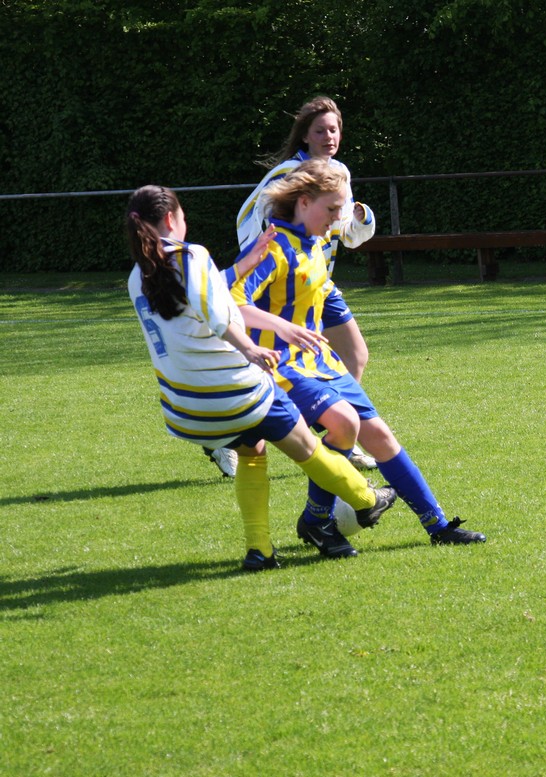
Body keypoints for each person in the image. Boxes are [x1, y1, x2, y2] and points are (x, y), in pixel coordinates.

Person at [126, 184, 397, 571]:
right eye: (183, 215)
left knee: (252, 453)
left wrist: (244, 265)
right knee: (309, 448)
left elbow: (199, 294)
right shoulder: (192, 255)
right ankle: (367, 500)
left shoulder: (139, 275)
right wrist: (251, 349)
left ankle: (260, 552)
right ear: (171, 218)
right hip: (234, 393)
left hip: (184, 409)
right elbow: (217, 315)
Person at [230, 158, 486, 555]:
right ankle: (318, 520)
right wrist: (283, 328)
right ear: (303, 202)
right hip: (281, 366)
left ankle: (437, 526)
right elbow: (230, 301)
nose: (338, 218)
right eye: (331, 209)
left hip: (320, 362)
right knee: (342, 424)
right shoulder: (273, 246)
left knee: (380, 436)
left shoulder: (315, 244)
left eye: (341, 209)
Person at [204, 96, 377, 477]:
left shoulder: (340, 173)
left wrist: (362, 218)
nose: (329, 136)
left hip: (319, 284)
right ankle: (226, 438)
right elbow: (248, 216)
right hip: (283, 287)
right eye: (320, 130)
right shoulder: (287, 173)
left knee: (355, 355)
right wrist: (262, 261)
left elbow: (348, 236)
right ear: (305, 136)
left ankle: (338, 433)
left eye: (334, 129)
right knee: (265, 371)